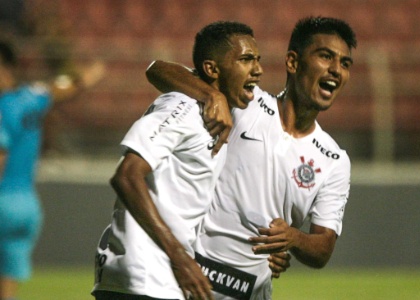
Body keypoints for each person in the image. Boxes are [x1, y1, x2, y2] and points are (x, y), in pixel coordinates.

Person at [146, 16, 356, 299]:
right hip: (190, 282)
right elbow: (157, 70)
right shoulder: (246, 103)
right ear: (293, 62)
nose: (336, 70)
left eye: (344, 63)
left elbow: (323, 248)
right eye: (326, 56)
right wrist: (212, 96)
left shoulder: (334, 160)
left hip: (251, 292)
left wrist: (293, 238)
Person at [91, 21, 265, 300]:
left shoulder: (228, 111)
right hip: (146, 274)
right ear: (212, 69)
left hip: (159, 277)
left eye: (258, 60)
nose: (258, 69)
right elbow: (126, 176)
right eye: (246, 59)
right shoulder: (180, 107)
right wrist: (179, 258)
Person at [0, 39, 104, 300]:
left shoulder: (2, 108)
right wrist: (90, 75)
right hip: (26, 206)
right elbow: (64, 88)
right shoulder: (32, 98)